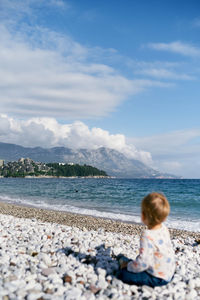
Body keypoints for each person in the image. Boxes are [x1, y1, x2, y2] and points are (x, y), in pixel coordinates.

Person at [117, 192, 175, 287]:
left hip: (157, 278)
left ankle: (124, 262)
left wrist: (128, 266)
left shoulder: (147, 235)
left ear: (143, 216)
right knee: (138, 259)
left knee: (122, 274)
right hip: (169, 273)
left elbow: (144, 263)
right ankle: (126, 261)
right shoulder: (164, 228)